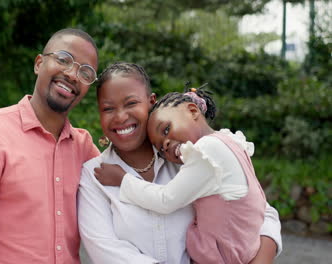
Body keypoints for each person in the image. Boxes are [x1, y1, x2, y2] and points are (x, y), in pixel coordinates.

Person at [78, 62, 282, 264]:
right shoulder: (94, 175)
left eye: (131, 103)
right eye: (108, 108)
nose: (121, 116)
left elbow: (260, 211)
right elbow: (108, 252)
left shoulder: (188, 153)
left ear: (151, 101)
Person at [0, 28, 100, 263]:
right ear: (39, 63)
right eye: (64, 59)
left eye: (85, 72)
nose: (72, 74)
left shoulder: (84, 148)